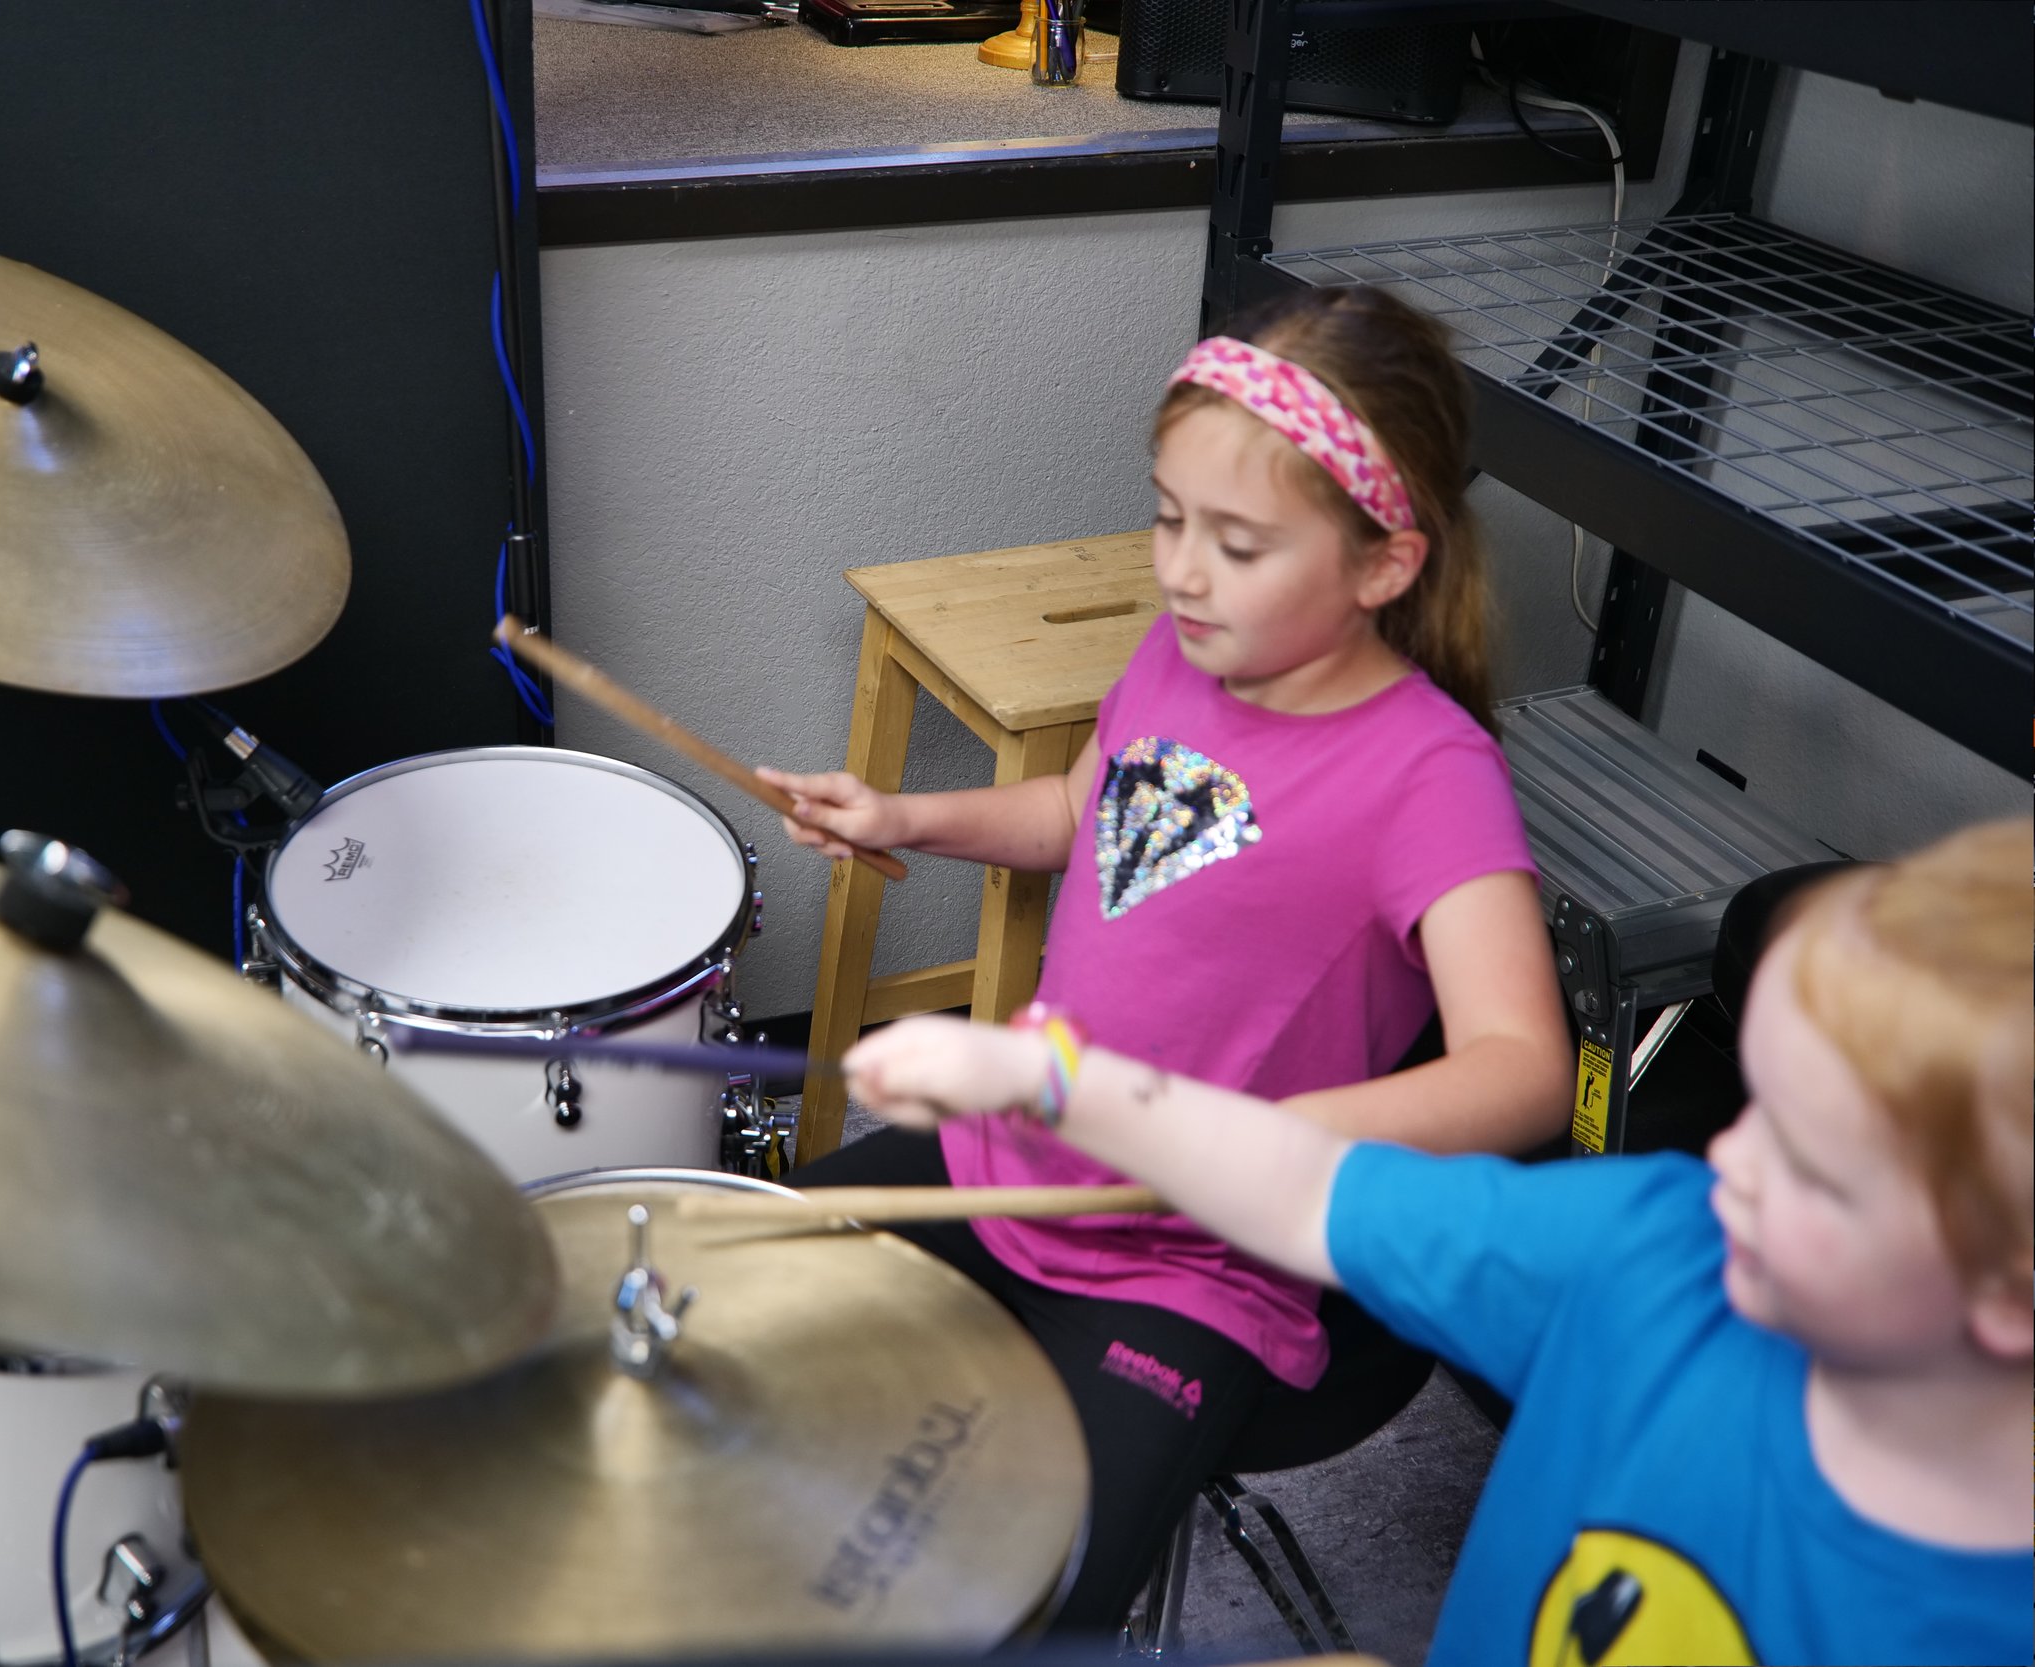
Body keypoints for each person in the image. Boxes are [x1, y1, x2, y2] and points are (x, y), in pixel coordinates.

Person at [760, 285, 1572, 1629]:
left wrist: (1247, 1135)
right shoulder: (1181, 655)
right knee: (721, 1309)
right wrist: (903, 816)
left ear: (1382, 564)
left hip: (1193, 1259)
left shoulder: (1433, 775)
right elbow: (1079, 817)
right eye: (1168, 516)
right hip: (1000, 1154)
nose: (1182, 569)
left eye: (1237, 542)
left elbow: (1525, 1066)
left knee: (1014, 1600)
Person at [843, 818, 2035, 1666]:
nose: (1729, 1155)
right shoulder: (1658, 1246)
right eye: (1752, 1106)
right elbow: (1307, 1186)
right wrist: (1051, 1080)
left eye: (1812, 1165)